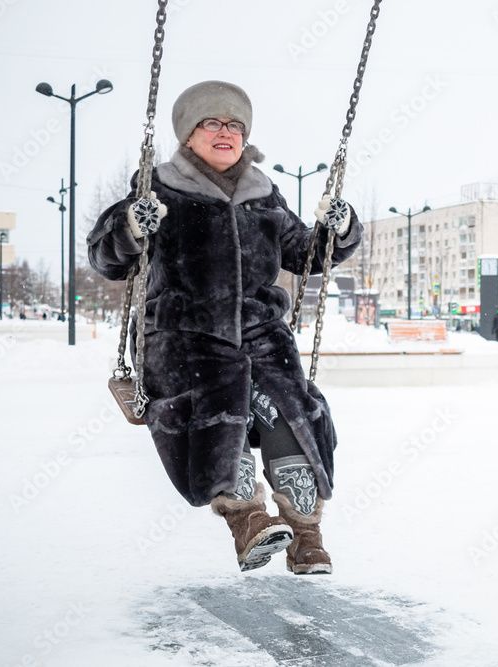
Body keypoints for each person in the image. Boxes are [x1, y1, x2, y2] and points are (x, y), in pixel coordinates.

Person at [87, 81, 361, 574]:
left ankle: (305, 533)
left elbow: (306, 253)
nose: (225, 132)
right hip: (185, 337)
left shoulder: (264, 194)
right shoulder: (158, 190)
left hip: (261, 334)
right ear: (189, 134)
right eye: (211, 122)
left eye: (234, 125)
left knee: (290, 414)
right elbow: (106, 258)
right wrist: (131, 226)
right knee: (218, 415)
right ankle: (247, 520)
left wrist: (339, 229)